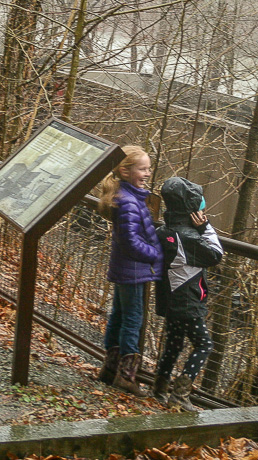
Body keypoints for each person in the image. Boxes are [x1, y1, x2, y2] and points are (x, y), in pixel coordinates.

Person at [152, 176, 223, 411]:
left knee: (174, 344)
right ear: (192, 210)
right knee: (204, 344)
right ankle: (180, 395)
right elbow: (215, 254)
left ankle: (159, 389)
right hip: (187, 300)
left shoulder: (165, 231)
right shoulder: (189, 237)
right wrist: (205, 228)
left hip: (171, 298)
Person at [96, 145, 161, 396]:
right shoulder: (129, 202)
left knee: (119, 315)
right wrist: (155, 254)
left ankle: (110, 369)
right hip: (133, 270)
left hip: (126, 268)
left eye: (148, 168)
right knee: (133, 319)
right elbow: (131, 242)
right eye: (142, 169)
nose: (147, 173)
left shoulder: (125, 195)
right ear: (125, 171)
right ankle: (127, 376)